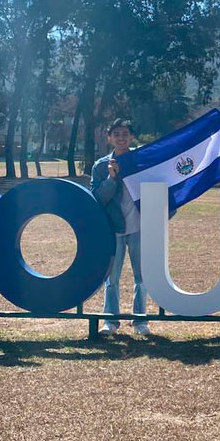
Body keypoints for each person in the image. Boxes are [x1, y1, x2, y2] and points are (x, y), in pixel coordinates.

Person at [90, 118, 151, 335]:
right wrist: (111, 177)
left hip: (139, 226)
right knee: (111, 278)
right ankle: (111, 321)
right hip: (113, 228)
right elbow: (98, 198)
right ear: (109, 138)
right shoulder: (100, 166)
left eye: (125, 133)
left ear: (131, 137)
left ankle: (140, 320)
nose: (121, 137)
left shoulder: (142, 161)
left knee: (142, 276)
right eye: (116, 134)